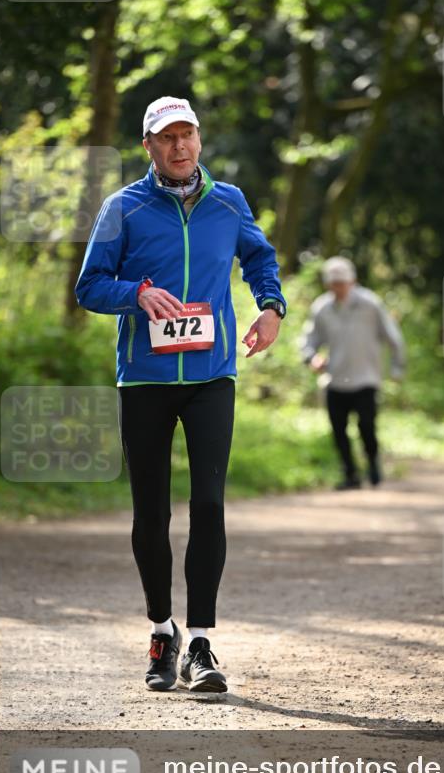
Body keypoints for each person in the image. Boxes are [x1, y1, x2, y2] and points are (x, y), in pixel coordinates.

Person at [76, 96, 287, 694]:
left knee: (210, 507)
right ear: (147, 146)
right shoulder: (123, 208)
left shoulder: (229, 200)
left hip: (212, 376)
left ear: (199, 139)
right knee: (152, 513)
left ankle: (199, 642)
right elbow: (90, 286)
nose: (179, 146)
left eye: (187, 134)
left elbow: (259, 257)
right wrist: (136, 294)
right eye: (166, 137)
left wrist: (271, 306)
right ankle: (161, 630)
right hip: (144, 378)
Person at [301, 256, 405, 489]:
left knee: (367, 426)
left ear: (353, 281)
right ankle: (351, 474)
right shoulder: (322, 308)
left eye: (342, 282)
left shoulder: (371, 304)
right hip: (335, 379)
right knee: (339, 431)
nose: (338, 288)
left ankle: (373, 464)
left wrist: (397, 367)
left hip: (366, 377)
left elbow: (393, 336)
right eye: (333, 283)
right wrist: (311, 358)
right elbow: (309, 340)